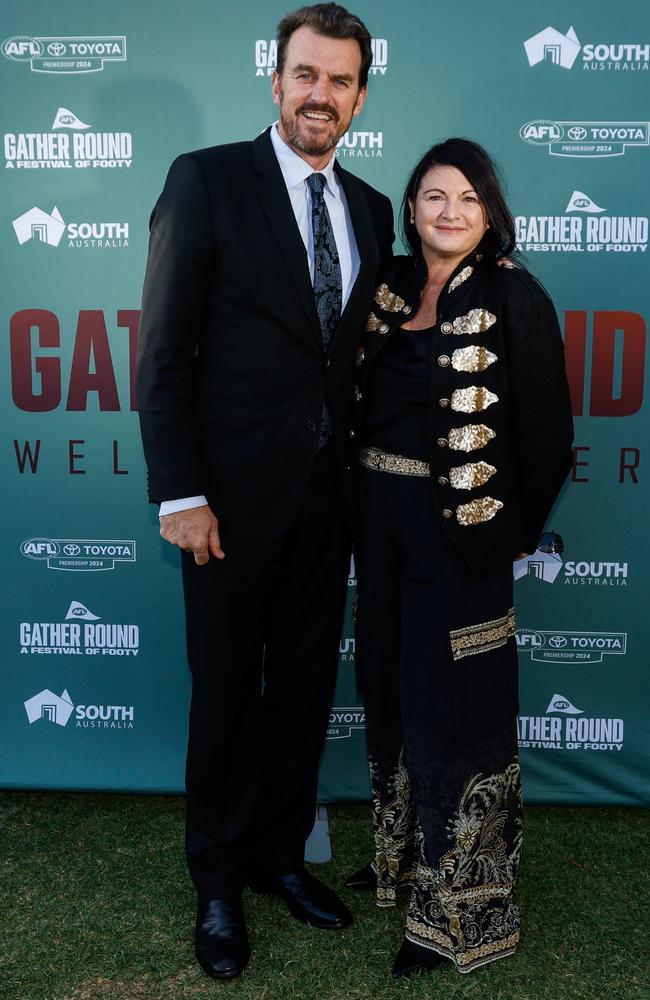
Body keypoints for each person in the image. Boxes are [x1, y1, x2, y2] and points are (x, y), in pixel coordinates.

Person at [136, 3, 393, 981]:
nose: (318, 94)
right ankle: (216, 881)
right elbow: (160, 354)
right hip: (225, 511)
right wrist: (180, 494)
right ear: (275, 81)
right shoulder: (204, 181)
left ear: (359, 96)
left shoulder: (368, 208)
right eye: (304, 74)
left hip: (329, 506)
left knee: (300, 695)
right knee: (225, 700)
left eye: (337, 80)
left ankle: (279, 856)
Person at [345, 138, 574, 978]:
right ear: (410, 208)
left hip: (463, 537)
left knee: (458, 708)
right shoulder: (390, 286)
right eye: (434, 197)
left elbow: (549, 437)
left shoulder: (516, 297)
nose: (449, 213)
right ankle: (402, 857)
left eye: (467, 200)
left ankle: (460, 903)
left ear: (489, 214)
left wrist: (507, 537)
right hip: (377, 519)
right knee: (389, 684)